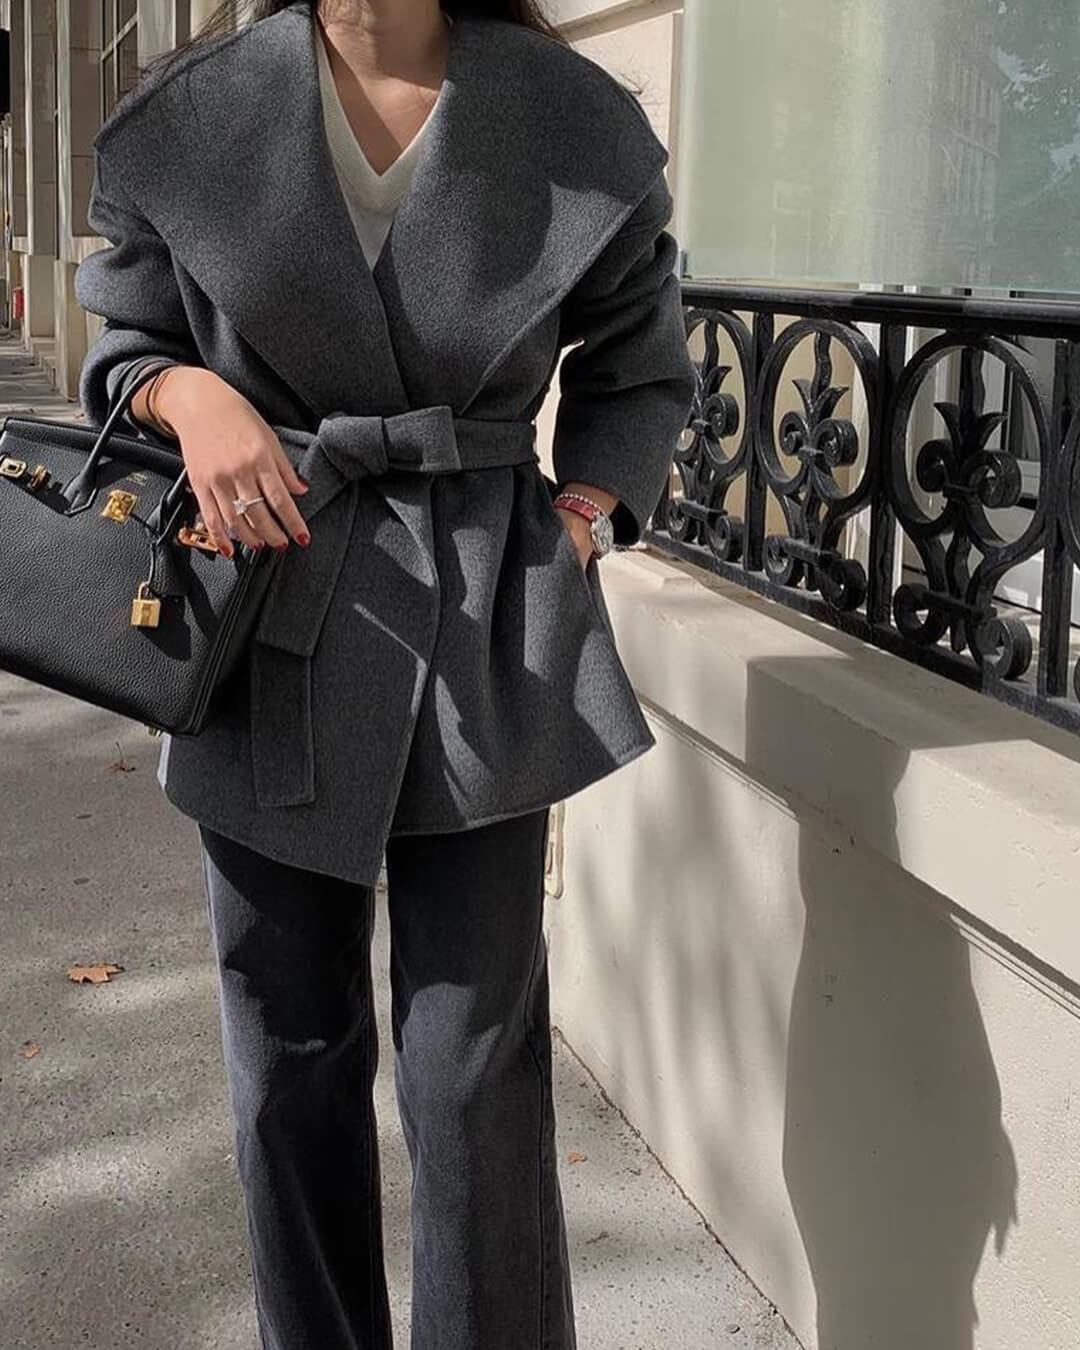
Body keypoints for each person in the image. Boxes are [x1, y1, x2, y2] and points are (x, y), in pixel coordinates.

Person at [74, 2, 697, 1347]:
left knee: (471, 1066)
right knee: (286, 1050)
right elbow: (122, 350)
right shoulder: (193, 114)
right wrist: (191, 398)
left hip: (483, 611)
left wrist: (588, 510)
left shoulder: (566, 114)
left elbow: (641, 357)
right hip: (268, 602)